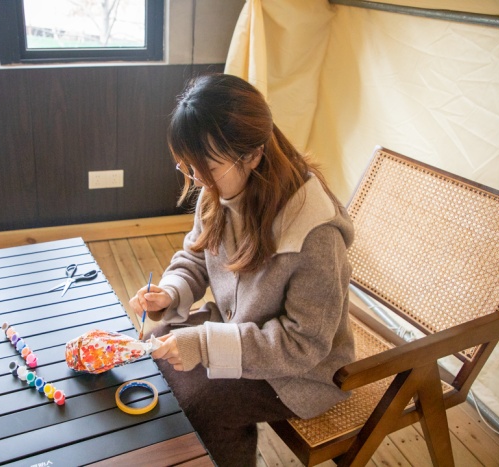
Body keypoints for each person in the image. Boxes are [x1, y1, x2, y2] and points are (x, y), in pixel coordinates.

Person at [129, 73, 355, 466]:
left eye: (206, 166)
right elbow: (196, 255)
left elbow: (303, 345)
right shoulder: (218, 188)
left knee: (204, 404)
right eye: (188, 166)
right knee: (155, 346)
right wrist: (171, 291)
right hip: (241, 329)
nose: (197, 179)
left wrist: (204, 344)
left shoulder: (314, 233)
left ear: (252, 155)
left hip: (301, 373)